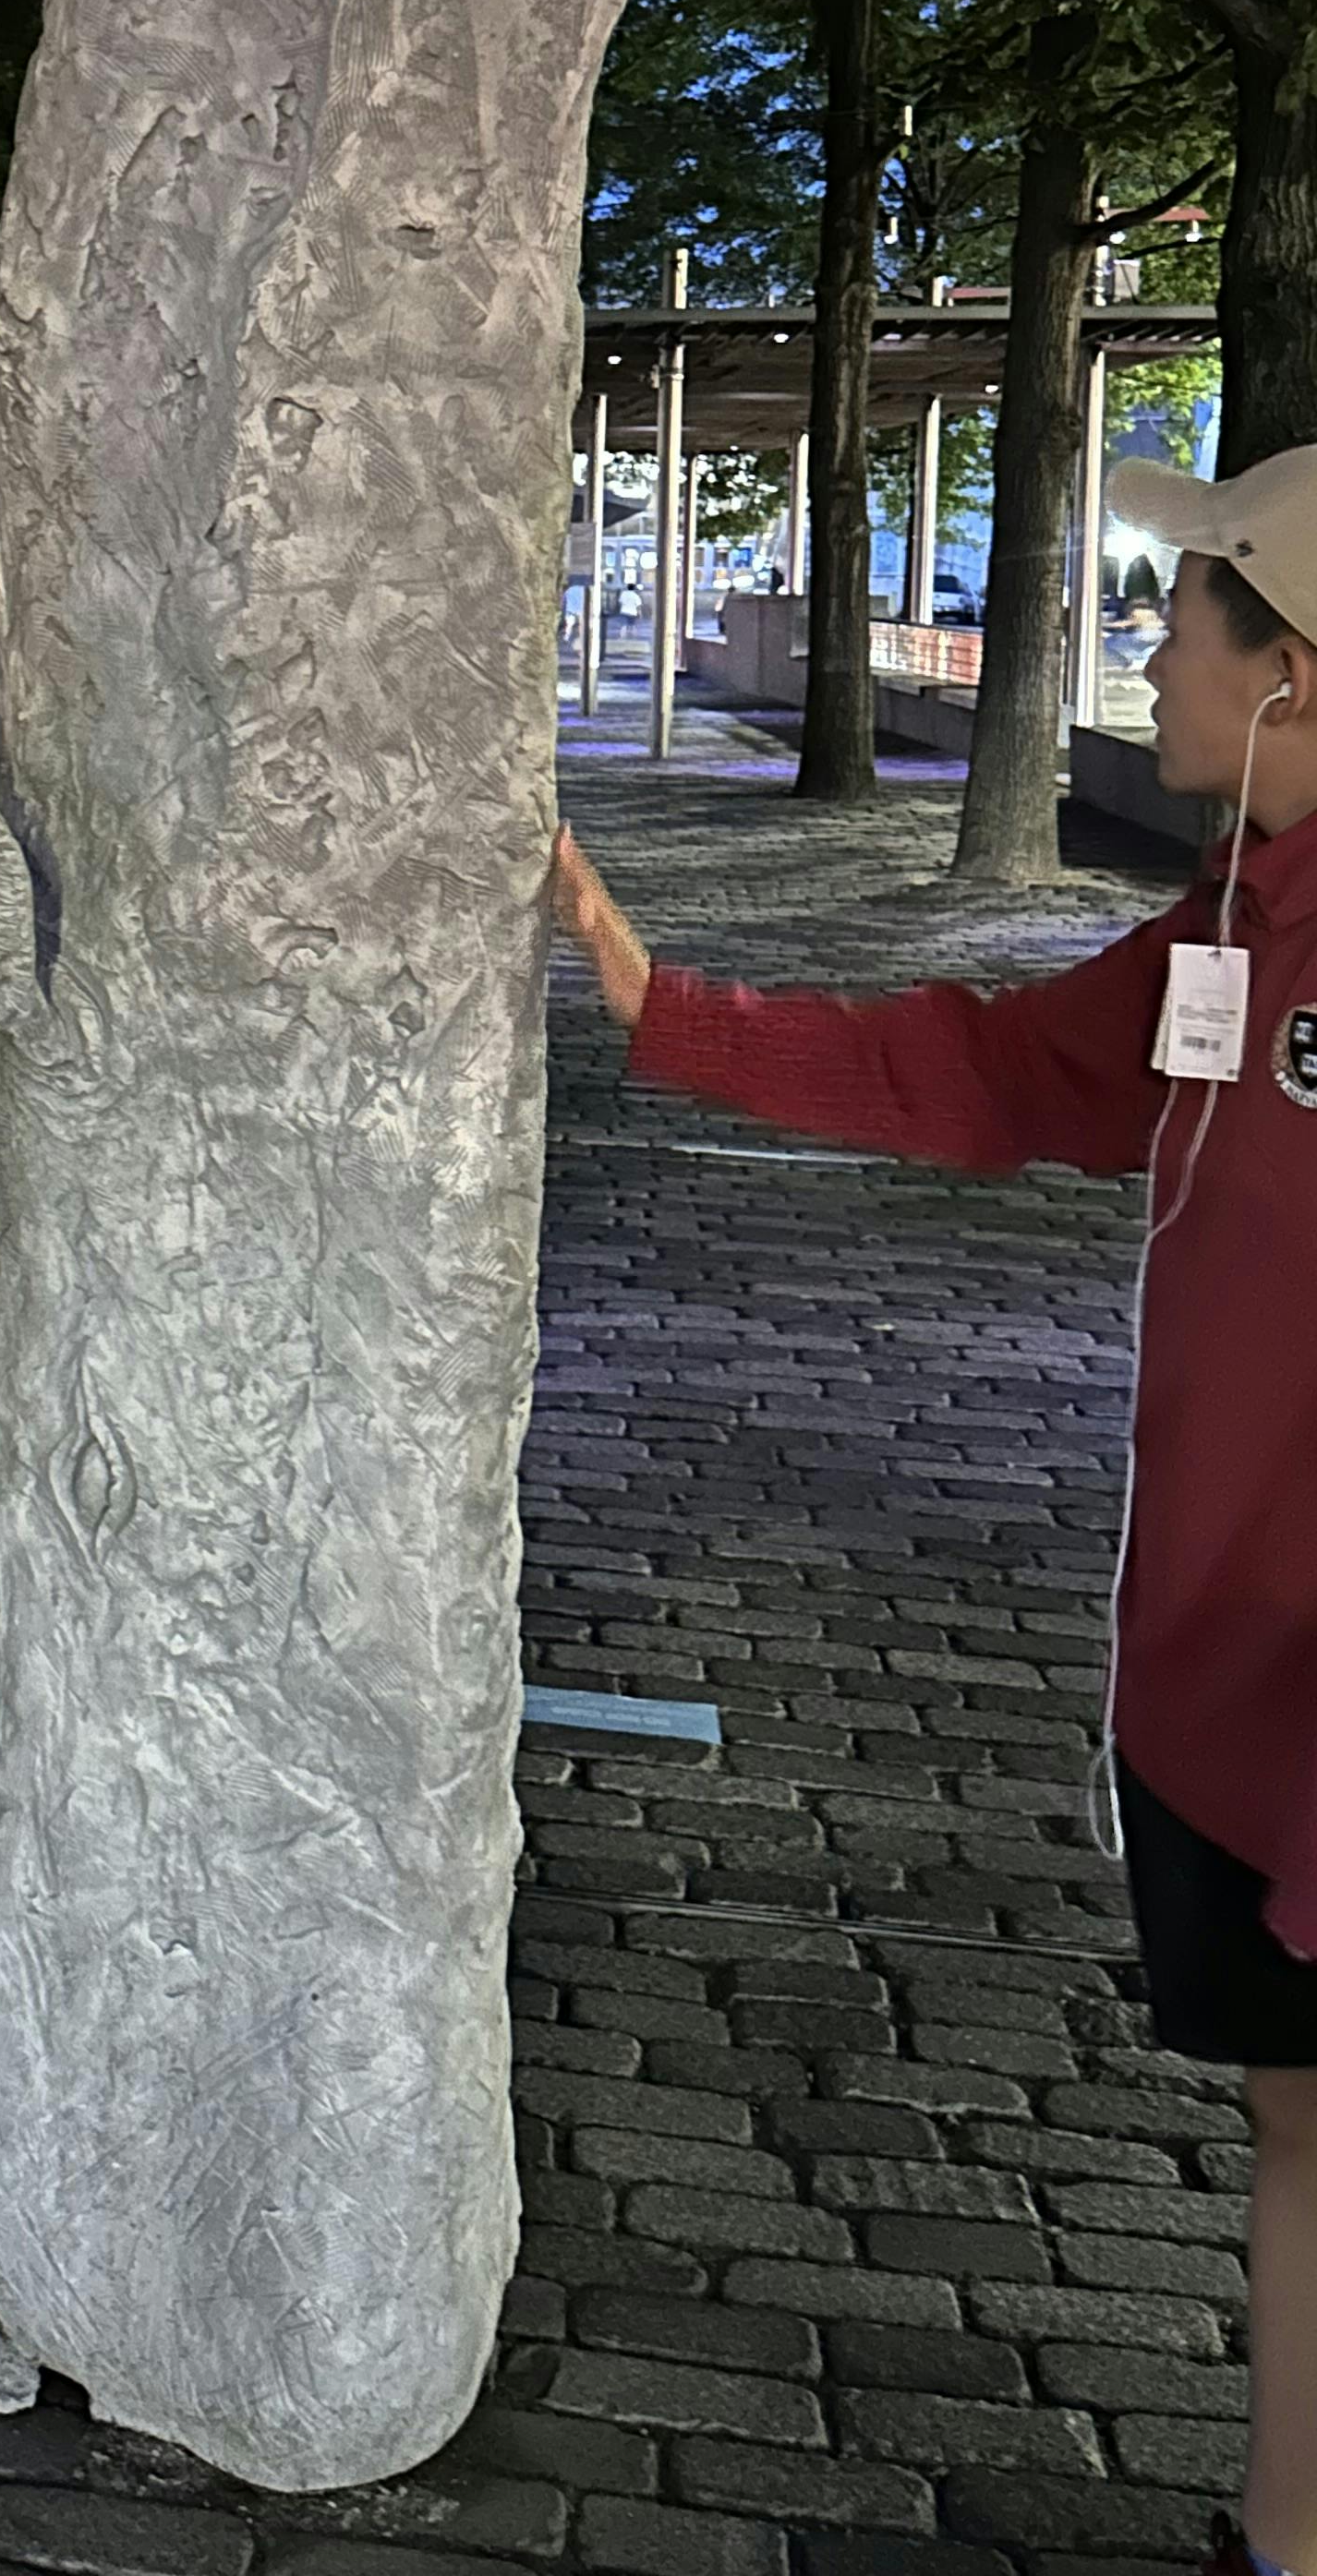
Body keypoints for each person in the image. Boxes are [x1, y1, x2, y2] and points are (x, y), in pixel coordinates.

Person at [553, 439, 1317, 2576]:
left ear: (1292, 673)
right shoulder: (1239, 918)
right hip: (1223, 1699)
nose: (1146, 659)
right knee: (1296, 2119)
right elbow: (995, 1073)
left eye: (1184, 624)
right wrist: (653, 994)